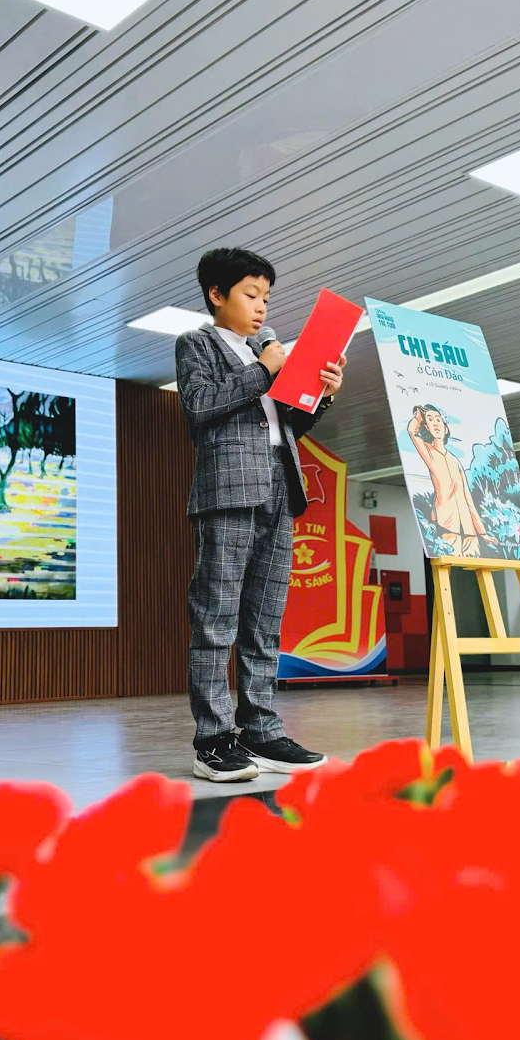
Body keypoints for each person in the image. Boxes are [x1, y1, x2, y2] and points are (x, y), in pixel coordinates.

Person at [176, 247, 345, 782]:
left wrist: (320, 394)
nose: (261, 307)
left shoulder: (267, 353)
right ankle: (213, 740)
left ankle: (261, 730)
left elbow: (290, 425)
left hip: (280, 486)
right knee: (217, 617)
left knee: (265, 621)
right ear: (217, 295)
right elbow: (199, 407)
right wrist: (264, 369)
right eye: (251, 295)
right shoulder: (197, 344)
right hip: (227, 492)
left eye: (266, 297)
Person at [407, 404, 487, 556]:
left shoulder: (455, 460)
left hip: (469, 530)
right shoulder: (429, 453)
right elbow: (412, 432)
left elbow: (467, 497)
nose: (436, 423)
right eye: (430, 420)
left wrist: (482, 532)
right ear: (426, 428)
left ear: (446, 428)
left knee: (478, 566)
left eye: (438, 419)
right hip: (447, 526)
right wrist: (419, 416)